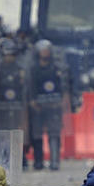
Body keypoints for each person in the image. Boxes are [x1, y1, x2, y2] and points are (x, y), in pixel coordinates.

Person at [28, 39, 65, 171]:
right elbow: (31, 85)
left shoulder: (56, 68)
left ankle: (55, 162)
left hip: (53, 105)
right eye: (42, 50)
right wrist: (32, 101)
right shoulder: (34, 68)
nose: (45, 52)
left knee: (54, 133)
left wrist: (61, 101)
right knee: (37, 134)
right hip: (38, 105)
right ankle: (38, 162)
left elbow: (62, 86)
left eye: (47, 50)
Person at [0, 38, 29, 168]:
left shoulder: (20, 69)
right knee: (1, 134)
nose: (9, 58)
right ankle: (1, 160)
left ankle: (19, 160)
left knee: (16, 134)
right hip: (1, 107)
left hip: (16, 106)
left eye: (12, 55)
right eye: (7, 55)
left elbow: (25, 88)